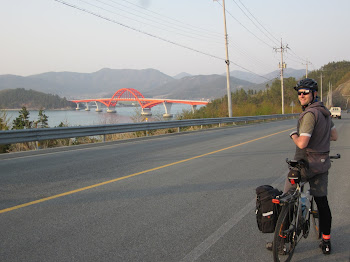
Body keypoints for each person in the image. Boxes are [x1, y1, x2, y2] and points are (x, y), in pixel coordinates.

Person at [266, 78, 338, 255]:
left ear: (314, 94)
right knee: (322, 202)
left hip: (304, 166)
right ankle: (326, 242)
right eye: (299, 93)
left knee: (287, 198)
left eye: (305, 92)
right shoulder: (325, 112)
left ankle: (281, 242)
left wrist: (293, 135)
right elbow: (334, 136)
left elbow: (302, 143)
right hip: (321, 165)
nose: (301, 96)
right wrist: (320, 139)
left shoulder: (309, 114)